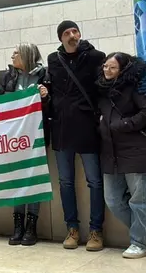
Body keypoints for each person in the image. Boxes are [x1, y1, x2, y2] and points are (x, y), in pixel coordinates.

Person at [96, 53, 146, 259]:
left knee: (140, 199)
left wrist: (123, 125)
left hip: (134, 149)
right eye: (105, 67)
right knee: (113, 199)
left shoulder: (135, 86)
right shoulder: (101, 89)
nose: (107, 71)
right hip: (110, 151)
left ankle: (139, 242)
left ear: (123, 70)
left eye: (113, 68)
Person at [45, 21, 106, 251]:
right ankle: (72, 228)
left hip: (87, 126)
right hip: (61, 127)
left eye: (75, 31)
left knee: (95, 181)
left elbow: (102, 87)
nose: (72, 35)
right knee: (65, 182)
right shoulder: (53, 59)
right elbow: (52, 89)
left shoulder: (95, 56)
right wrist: (45, 93)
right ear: (61, 38)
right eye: (67, 33)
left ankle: (96, 230)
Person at [0, 43, 48, 246]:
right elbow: (0, 100)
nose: (12, 55)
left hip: (36, 135)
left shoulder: (44, 75)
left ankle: (31, 226)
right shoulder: (10, 76)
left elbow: (50, 104)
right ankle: (17, 224)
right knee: (17, 180)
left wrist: (45, 95)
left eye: (16, 53)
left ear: (26, 55)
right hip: (14, 138)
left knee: (33, 180)